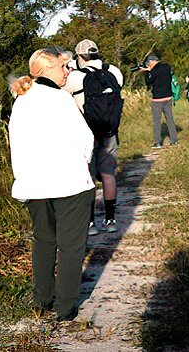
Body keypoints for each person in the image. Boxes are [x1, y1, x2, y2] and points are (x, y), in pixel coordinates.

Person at [8, 46, 95, 322]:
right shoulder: (60, 99)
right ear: (47, 70)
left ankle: (42, 299)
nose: (67, 71)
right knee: (71, 246)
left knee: (44, 241)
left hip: (34, 185)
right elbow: (86, 141)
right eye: (63, 66)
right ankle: (65, 306)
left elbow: (16, 148)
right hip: (69, 184)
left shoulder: (20, 101)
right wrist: (81, 165)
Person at [63, 39, 126, 235]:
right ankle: (110, 220)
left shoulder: (75, 77)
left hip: (85, 133)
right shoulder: (114, 71)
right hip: (109, 130)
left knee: (87, 178)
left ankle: (90, 223)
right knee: (108, 174)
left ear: (80, 56)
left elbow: (61, 93)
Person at [141, 54, 179, 148]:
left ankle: (158, 142)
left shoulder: (154, 70)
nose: (148, 65)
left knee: (157, 121)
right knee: (170, 119)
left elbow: (148, 82)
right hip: (168, 97)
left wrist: (147, 72)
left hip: (157, 99)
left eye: (148, 63)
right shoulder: (166, 68)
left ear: (151, 62)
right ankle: (174, 140)